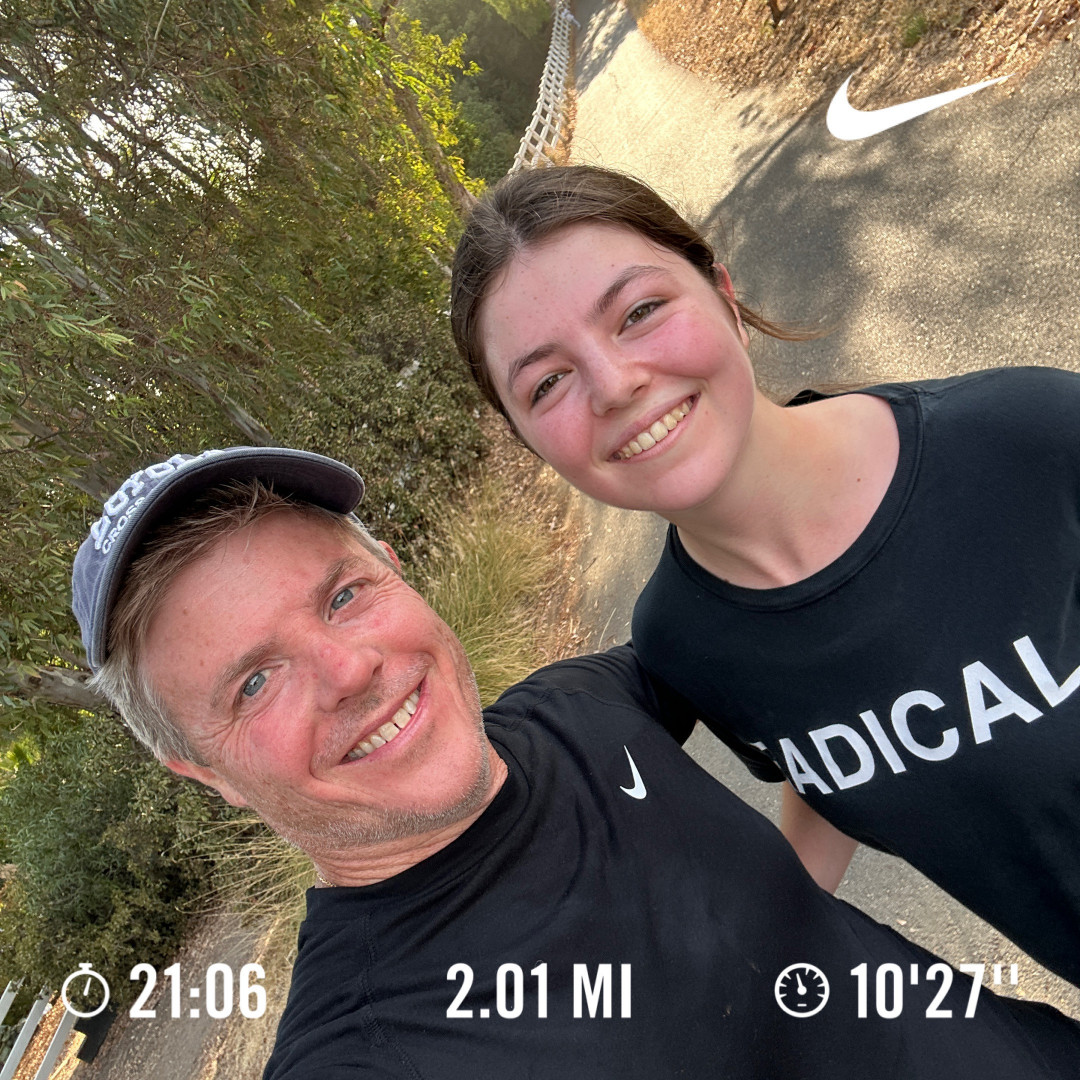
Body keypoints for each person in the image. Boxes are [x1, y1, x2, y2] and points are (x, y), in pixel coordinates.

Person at [71, 446, 1080, 1078]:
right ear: (201, 771)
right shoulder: (367, 1052)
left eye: (343, 596)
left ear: (399, 578)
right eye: (254, 683)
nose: (349, 669)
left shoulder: (574, 708)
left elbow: (757, 630)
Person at [449, 164, 1080, 989]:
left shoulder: (1028, 441)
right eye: (547, 383)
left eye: (639, 312)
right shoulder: (683, 641)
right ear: (530, 442)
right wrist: (763, 955)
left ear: (723, 293)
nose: (615, 385)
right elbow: (832, 753)